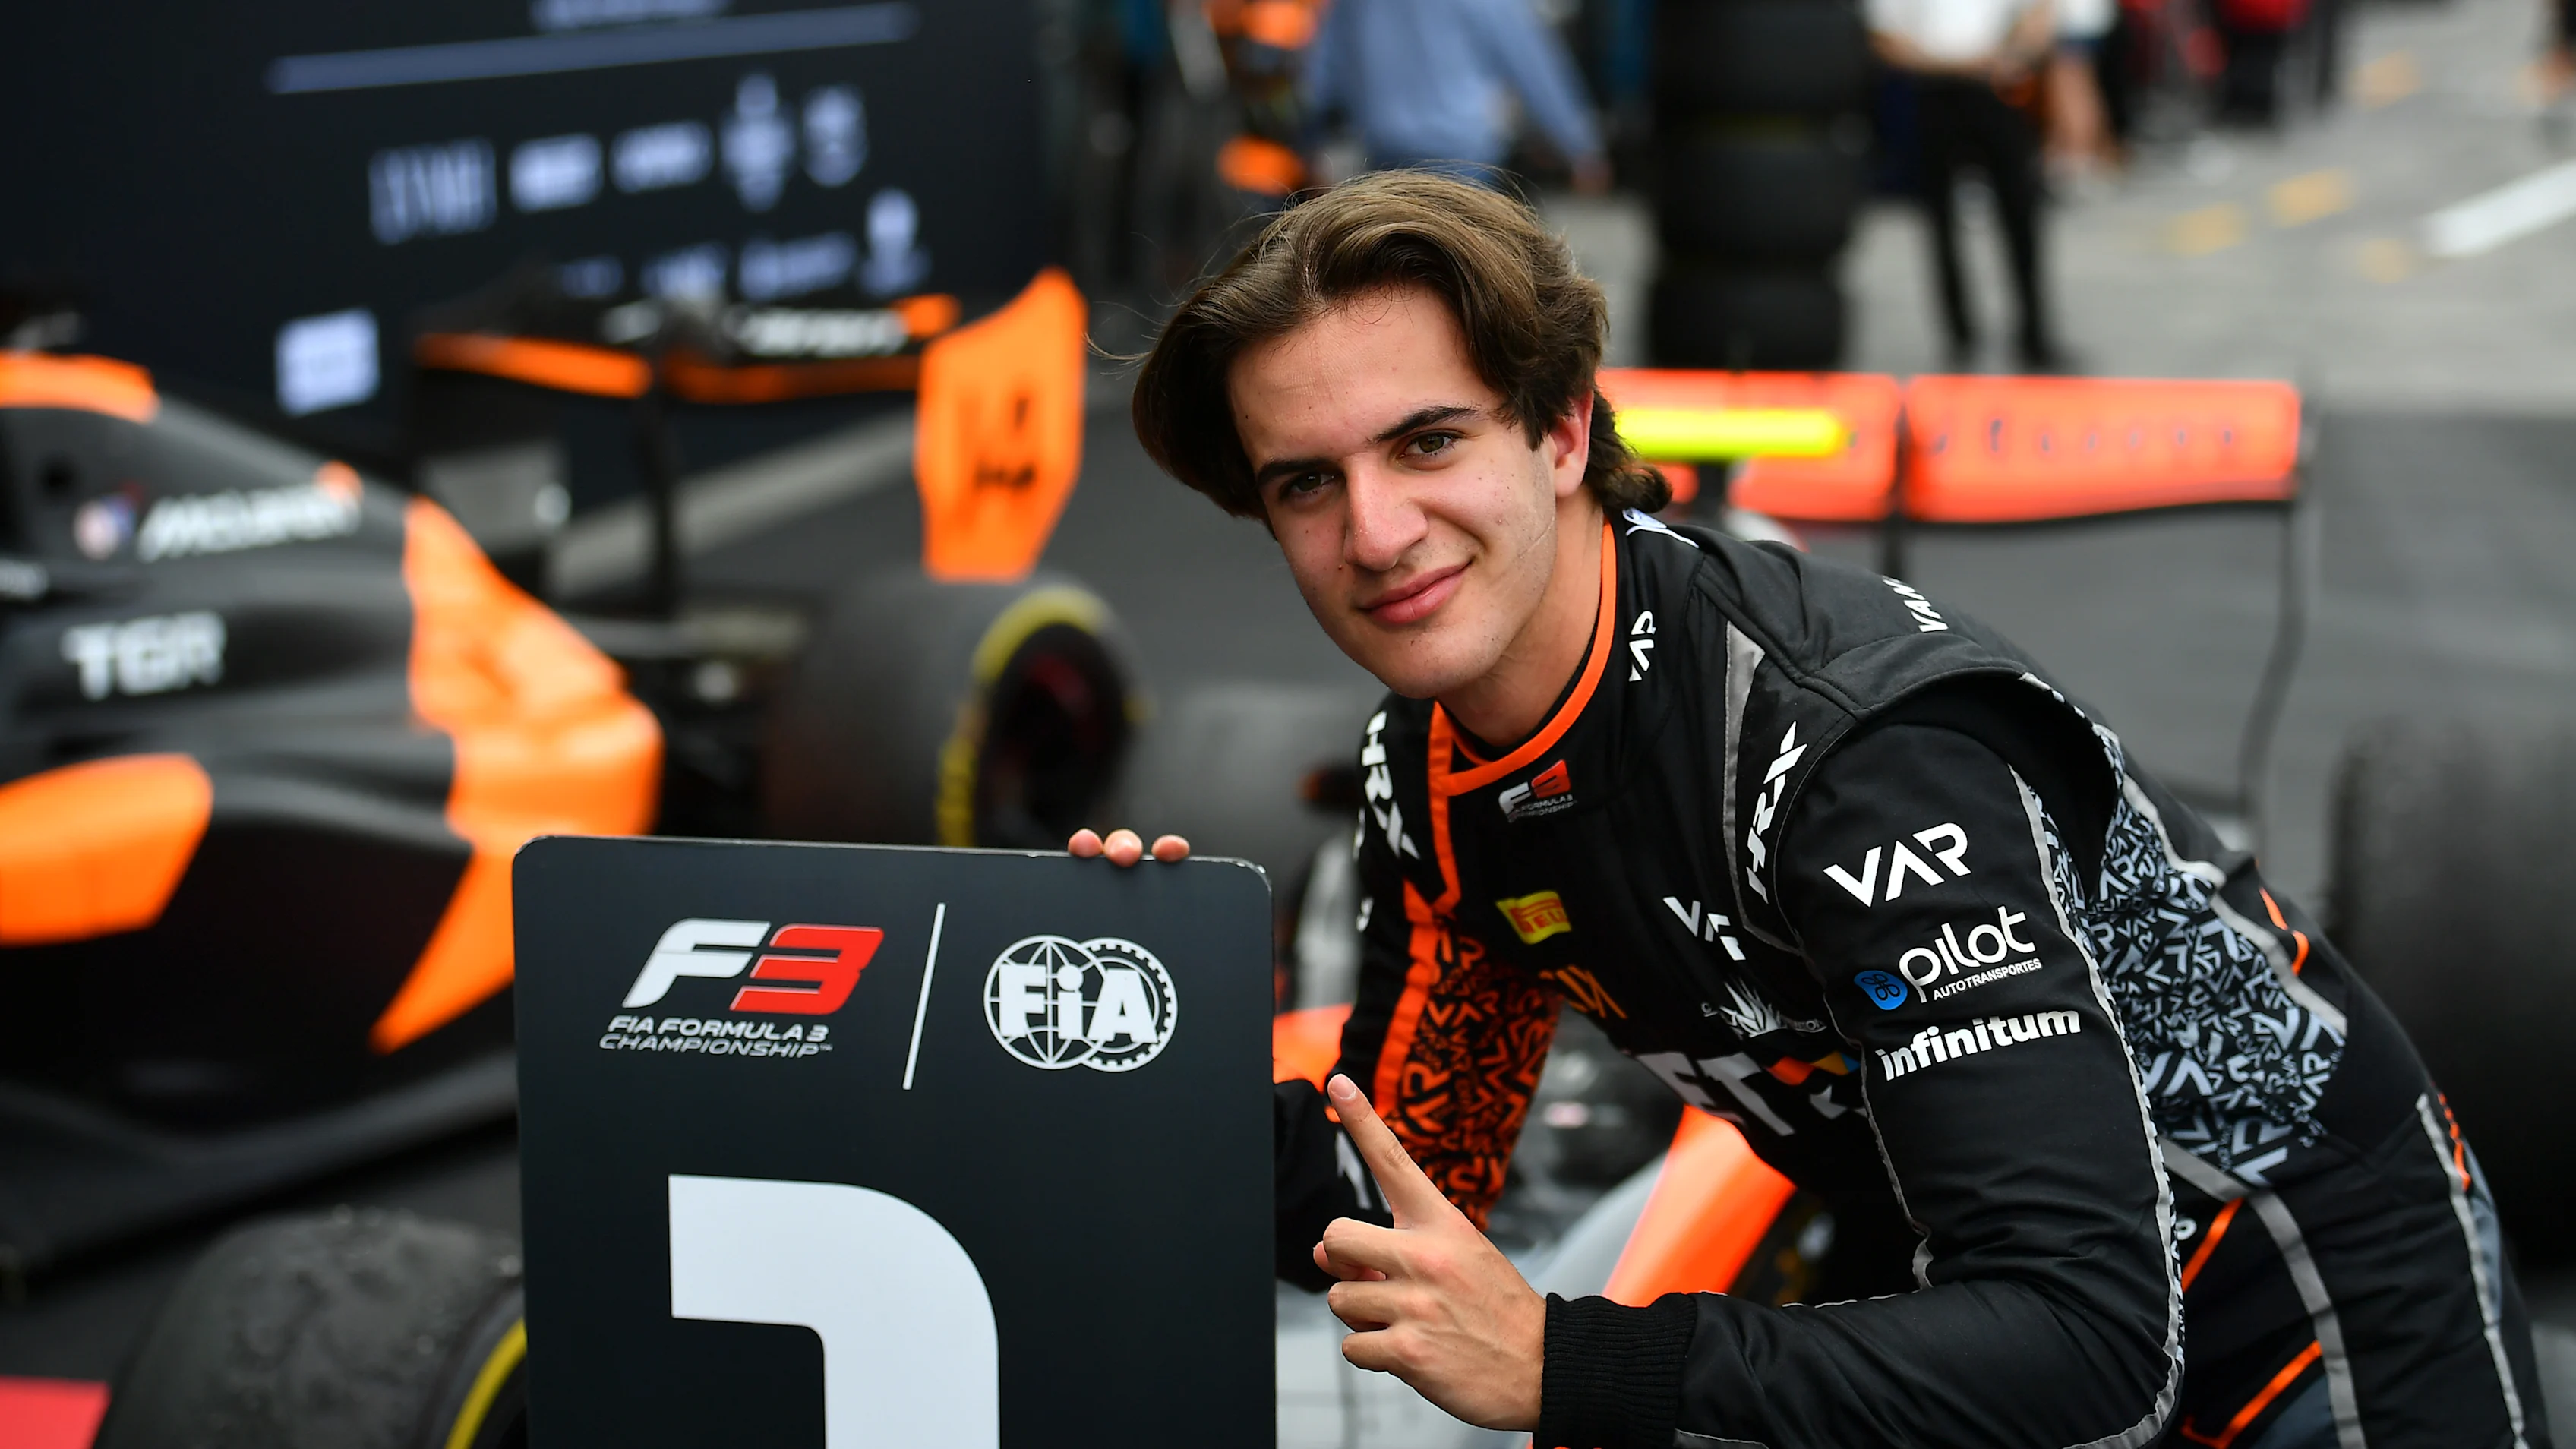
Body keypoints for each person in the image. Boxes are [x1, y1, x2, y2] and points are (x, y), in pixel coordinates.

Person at [1077, 171, 2552, 1448]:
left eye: (1425, 442)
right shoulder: (1437, 775)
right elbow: (1405, 1184)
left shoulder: (1846, 758)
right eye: (1304, 485)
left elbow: (2088, 1339)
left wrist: (1565, 1364)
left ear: (1563, 432)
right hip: (1981, 1309)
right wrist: (1115, 1052)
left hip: (2308, 1299)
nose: (1375, 532)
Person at [1870, 0, 2072, 370]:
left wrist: (2015, 55)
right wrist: (1957, 65)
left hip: (1995, 88)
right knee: (1939, 221)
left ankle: (2034, 334)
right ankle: (1960, 338)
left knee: (2021, 211)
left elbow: (2040, 16)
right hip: (1934, 90)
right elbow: (1884, 37)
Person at [1299, 0, 1611, 191]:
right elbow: (1530, 62)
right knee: (1466, 281)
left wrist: (1313, 145)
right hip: (1463, 160)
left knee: (1400, 277)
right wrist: (1579, 146)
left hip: (1384, 154)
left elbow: (1322, 74)